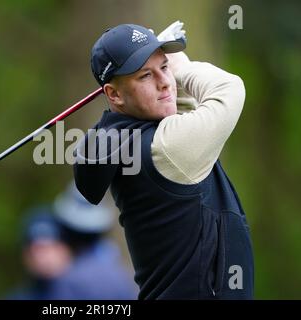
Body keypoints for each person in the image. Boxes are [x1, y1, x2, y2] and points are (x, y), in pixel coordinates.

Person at [73, 21, 254, 299]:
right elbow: (230, 90)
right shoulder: (167, 147)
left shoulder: (123, 139)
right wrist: (179, 68)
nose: (164, 82)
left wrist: (162, 71)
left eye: (164, 68)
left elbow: (177, 111)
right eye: (145, 75)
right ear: (114, 94)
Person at [6, 184, 138, 300]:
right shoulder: (119, 274)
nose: (43, 257)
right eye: (36, 249)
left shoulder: (71, 281)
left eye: (49, 247)